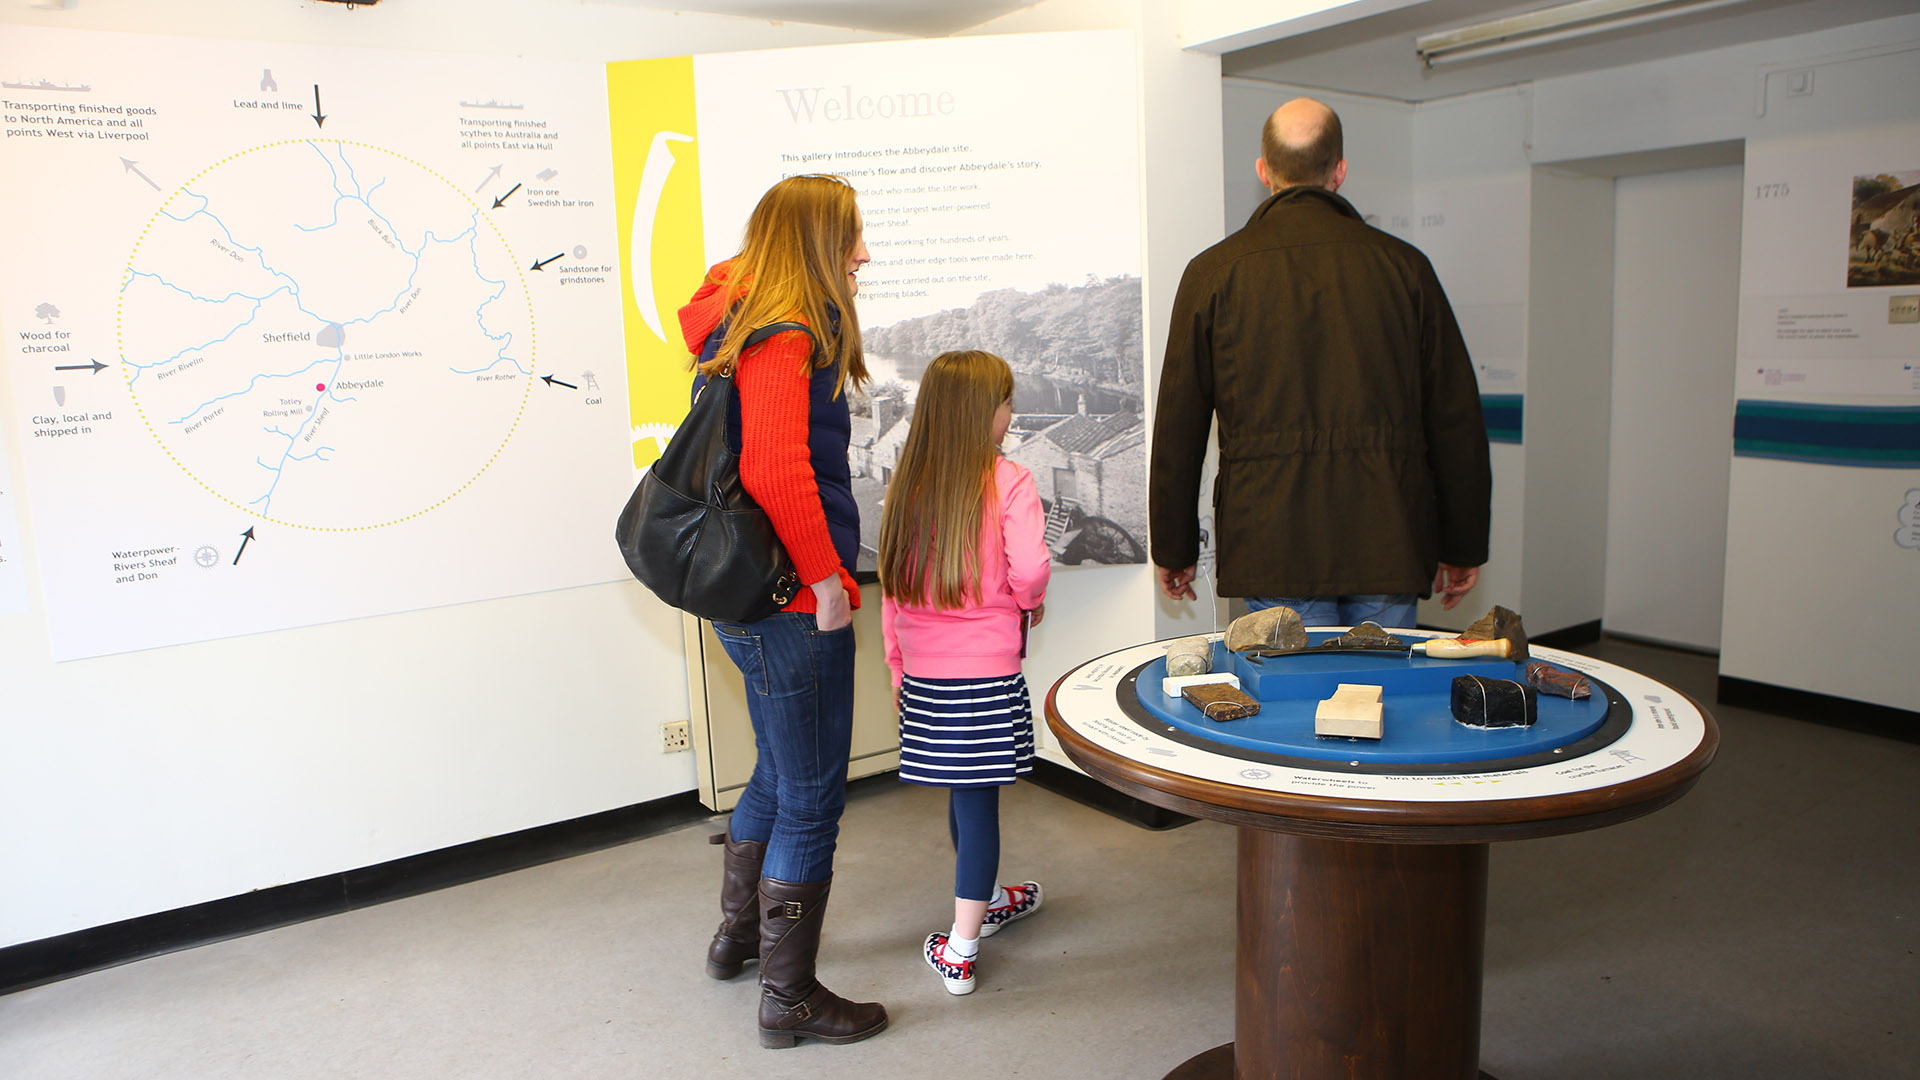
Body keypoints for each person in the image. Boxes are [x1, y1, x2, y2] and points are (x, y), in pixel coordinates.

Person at [1149, 97, 1491, 629]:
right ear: (1340, 171)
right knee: (1376, 701)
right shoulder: (1405, 269)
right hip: (1388, 535)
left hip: (1271, 540)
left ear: (1263, 171)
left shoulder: (1214, 273)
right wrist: (1462, 540)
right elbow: (1455, 416)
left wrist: (1173, 546)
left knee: (1291, 703)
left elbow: (1179, 426)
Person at [681, 173, 887, 1049]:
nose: (864, 256)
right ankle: (790, 997)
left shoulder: (740, 311)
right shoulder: (786, 330)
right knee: (811, 796)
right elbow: (773, 469)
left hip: (745, 591)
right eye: (851, 239)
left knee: (774, 769)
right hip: (790, 598)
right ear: (815, 246)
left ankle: (738, 939)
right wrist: (830, 582)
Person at [876, 350, 1050, 997]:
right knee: (978, 807)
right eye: (1007, 402)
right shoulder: (1009, 480)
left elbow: (891, 593)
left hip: (924, 675)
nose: (1011, 414)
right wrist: (1027, 602)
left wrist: (898, 669)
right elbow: (1030, 570)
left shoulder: (907, 487)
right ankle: (961, 947)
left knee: (962, 791)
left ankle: (988, 897)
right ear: (985, 413)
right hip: (986, 674)